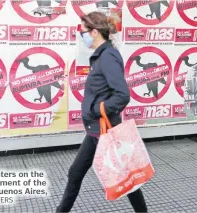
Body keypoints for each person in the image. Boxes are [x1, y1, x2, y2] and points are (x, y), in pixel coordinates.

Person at [56, 11, 148, 213]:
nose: (82, 36)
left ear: (95, 32)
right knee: (76, 173)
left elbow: (122, 94)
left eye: (84, 31)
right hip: (96, 129)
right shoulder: (102, 55)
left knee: (126, 177)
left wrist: (98, 109)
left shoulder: (107, 57)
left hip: (104, 128)